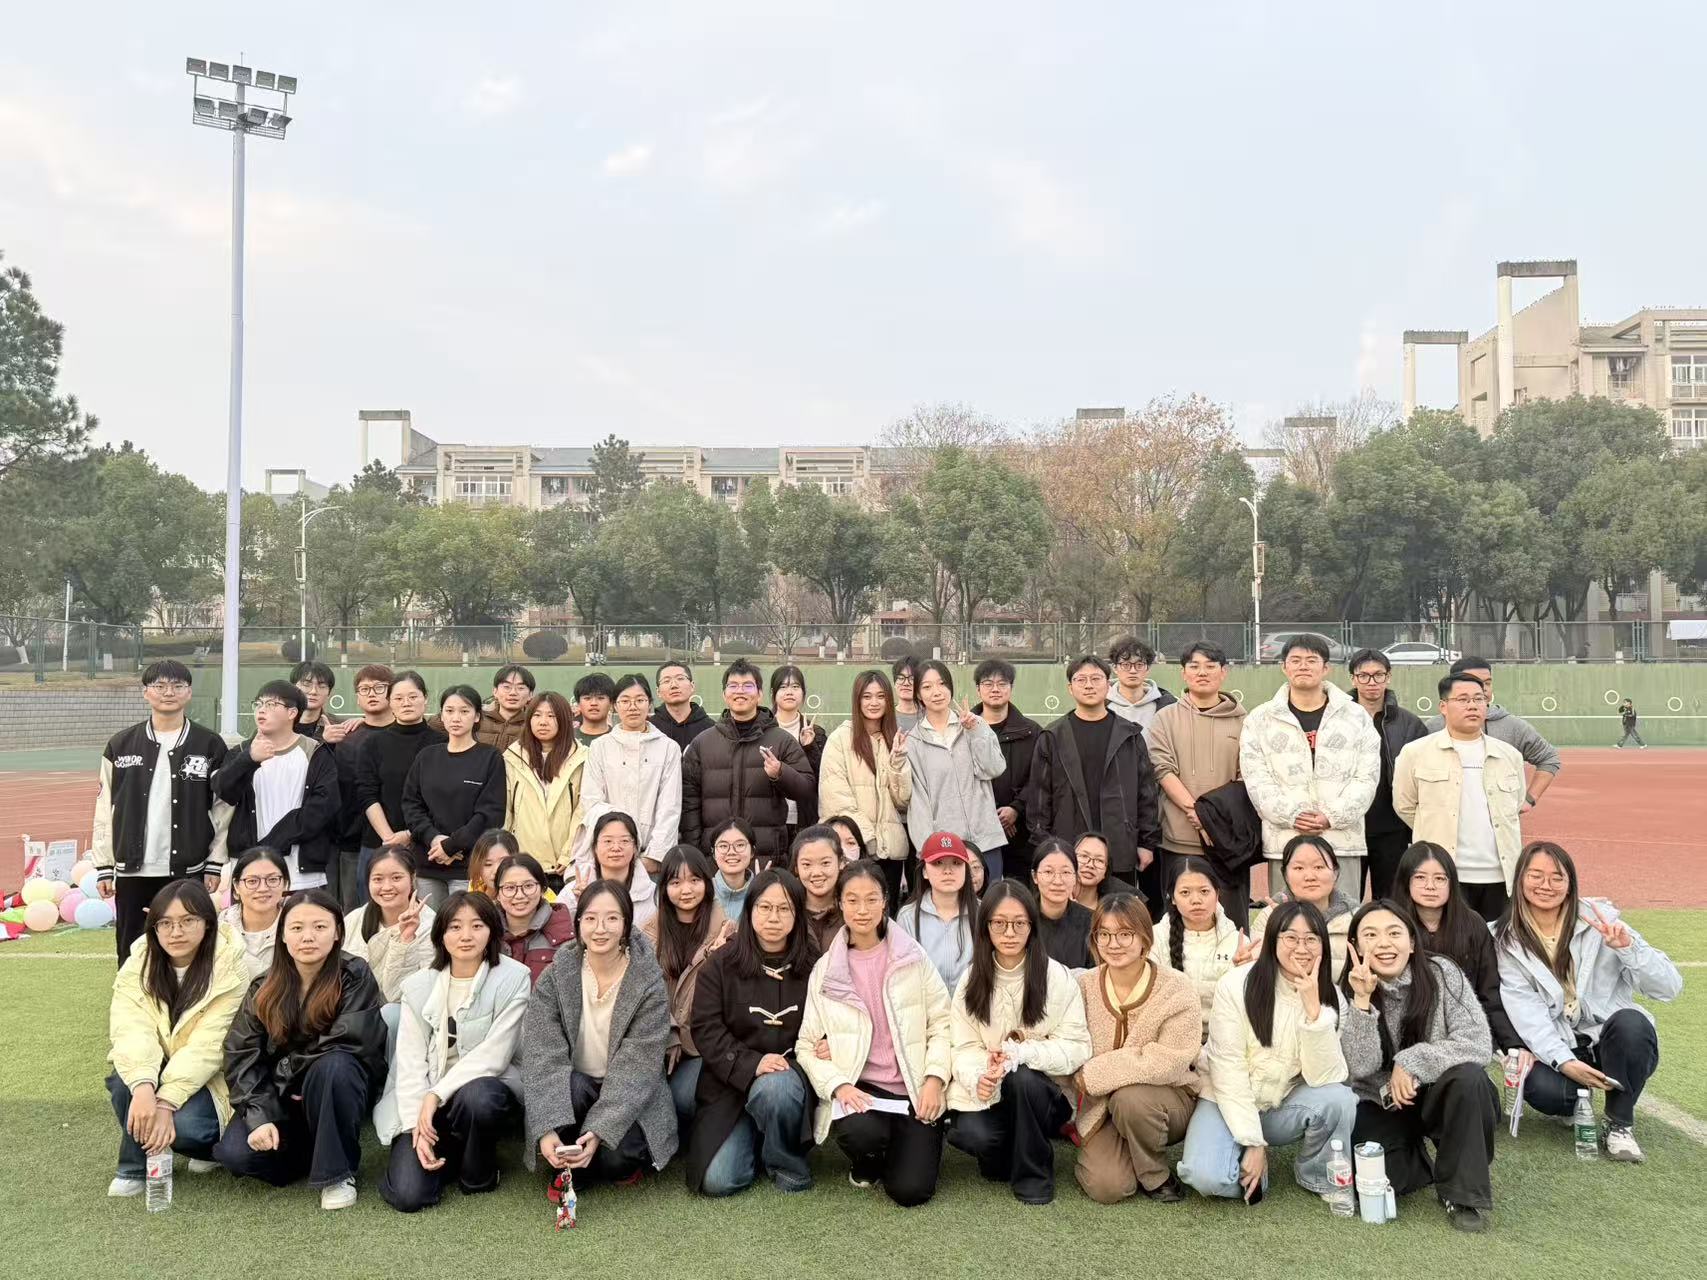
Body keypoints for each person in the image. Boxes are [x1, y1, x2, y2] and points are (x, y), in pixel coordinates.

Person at [1495, 841, 1681, 1163]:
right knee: (1543, 1090)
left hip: (1610, 1039)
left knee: (1632, 1024)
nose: (1545, 885)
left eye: (1557, 877)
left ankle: (1619, 1124)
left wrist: (1629, 949)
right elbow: (1526, 1012)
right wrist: (1564, 1061)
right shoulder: (1505, 939)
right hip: (1563, 1043)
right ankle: (1574, 1100)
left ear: (1570, 883)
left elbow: (1669, 987)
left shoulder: (1602, 921)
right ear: (1520, 880)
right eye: (1535, 875)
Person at [214, 890, 388, 1210]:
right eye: (296, 928)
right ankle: (313, 1152)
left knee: (334, 1065)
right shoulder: (264, 986)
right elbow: (241, 1053)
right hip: (281, 1099)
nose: (308, 936)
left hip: (334, 1087)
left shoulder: (354, 974)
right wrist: (260, 1116)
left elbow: (350, 1039)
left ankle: (337, 1174)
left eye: (320, 927)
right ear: (282, 935)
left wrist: (286, 1073)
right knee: (236, 1155)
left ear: (337, 932)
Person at [1176, 902, 1355, 1202]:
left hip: (1281, 1103)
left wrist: (1314, 1014)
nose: (1302, 948)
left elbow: (1325, 1077)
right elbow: (1227, 1068)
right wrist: (1253, 1142)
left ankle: (1319, 1175)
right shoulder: (1236, 984)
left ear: (1323, 945)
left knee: (1339, 1099)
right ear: (1273, 940)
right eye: (1291, 937)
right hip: (1225, 1098)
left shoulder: (1332, 998)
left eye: (1311, 939)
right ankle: (1250, 1158)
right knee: (1205, 1178)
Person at [797, 860, 952, 1207]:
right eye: (852, 900)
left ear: (885, 901)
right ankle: (867, 1160)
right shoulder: (826, 970)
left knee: (910, 1191)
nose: (862, 910)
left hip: (913, 1088)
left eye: (871, 899)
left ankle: (911, 1146)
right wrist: (839, 1085)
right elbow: (806, 1045)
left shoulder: (913, 957)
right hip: (863, 1090)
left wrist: (934, 1079)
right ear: (840, 903)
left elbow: (942, 1022)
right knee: (859, 1132)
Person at [1340, 900, 1499, 1232]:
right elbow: (1359, 1068)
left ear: (1412, 942)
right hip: (1381, 1100)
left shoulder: (1443, 972)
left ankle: (1462, 1195)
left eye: (1394, 933)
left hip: (1443, 1095)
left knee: (1470, 1078)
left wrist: (1411, 1061)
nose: (1384, 943)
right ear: (1355, 945)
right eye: (1370, 935)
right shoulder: (1346, 989)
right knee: (1384, 1181)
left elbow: (1478, 1043)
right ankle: (1420, 1155)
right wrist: (1362, 1001)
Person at [375, 890, 531, 1212]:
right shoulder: (418, 985)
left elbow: (495, 1055)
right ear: (441, 934)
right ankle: (448, 1152)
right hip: (426, 1103)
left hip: (481, 1092)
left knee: (479, 1096)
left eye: (477, 926)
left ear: (491, 931)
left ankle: (479, 1173)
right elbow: (410, 1062)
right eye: (455, 927)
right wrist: (417, 1124)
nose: (466, 936)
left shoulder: (514, 978)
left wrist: (435, 1095)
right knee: (408, 1195)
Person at [522, 881, 678, 1187]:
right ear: (578, 923)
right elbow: (542, 1054)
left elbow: (638, 1067)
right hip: (574, 1087)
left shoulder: (648, 981)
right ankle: (570, 1155)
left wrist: (599, 1130)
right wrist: (546, 1127)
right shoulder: (557, 974)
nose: (600, 929)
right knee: (573, 1088)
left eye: (612, 918)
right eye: (591, 918)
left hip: (628, 1091)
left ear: (626, 924)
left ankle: (588, 1156)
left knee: (615, 1159)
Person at [946, 880, 1091, 1204]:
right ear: (985, 927)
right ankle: (1007, 1156)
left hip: (1045, 1095)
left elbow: (1077, 1047)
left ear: (1032, 926)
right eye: (999, 923)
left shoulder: (1056, 977)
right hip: (991, 1094)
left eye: (1019, 923)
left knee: (1022, 1077)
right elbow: (963, 1047)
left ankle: (1034, 1175)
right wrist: (979, 1076)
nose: (1009, 933)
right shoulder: (971, 980)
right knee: (972, 1136)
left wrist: (1019, 1054)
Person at [105, 880, 248, 1197]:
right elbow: (131, 1028)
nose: (176, 932)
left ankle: (202, 1150)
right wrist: (144, 1086)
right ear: (153, 926)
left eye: (187, 921)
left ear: (207, 923)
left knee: (188, 1127)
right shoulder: (138, 962)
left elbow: (209, 1046)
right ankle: (134, 1166)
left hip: (211, 1077)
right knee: (123, 1080)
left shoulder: (231, 966)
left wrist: (166, 1102)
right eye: (165, 923)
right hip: (157, 1065)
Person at [686, 867, 820, 1195]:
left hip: (789, 1077)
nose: (773, 917)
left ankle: (784, 1159)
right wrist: (752, 1064)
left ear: (797, 915)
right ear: (750, 910)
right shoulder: (721, 963)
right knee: (719, 1181)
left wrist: (828, 1042)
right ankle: (755, 1132)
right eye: (765, 907)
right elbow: (705, 1028)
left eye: (784, 908)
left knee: (775, 1089)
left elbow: (834, 1018)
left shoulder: (815, 964)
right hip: (729, 1082)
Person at [92, 659, 231, 960]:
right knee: (133, 952)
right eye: (160, 686)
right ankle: (134, 993)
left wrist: (215, 862)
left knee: (187, 950)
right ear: (146, 692)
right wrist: (104, 866)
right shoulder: (120, 745)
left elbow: (222, 809)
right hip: (132, 870)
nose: (169, 692)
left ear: (189, 692)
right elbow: (104, 809)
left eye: (177, 686)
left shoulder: (209, 744)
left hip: (188, 869)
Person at [1072, 893, 1202, 1205]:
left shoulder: (1176, 987)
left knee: (1130, 1098)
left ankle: (1155, 1174)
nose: (1113, 944)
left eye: (1125, 934)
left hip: (1167, 1100)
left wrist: (1094, 1074)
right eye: (1104, 934)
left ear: (1144, 937)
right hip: (1103, 1108)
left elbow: (1169, 1061)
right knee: (1108, 1188)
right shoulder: (1083, 985)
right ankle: (1127, 1152)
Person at [1239, 634, 1380, 902]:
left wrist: (1331, 816)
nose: (1303, 666)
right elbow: (1256, 780)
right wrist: (1293, 816)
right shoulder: (1260, 719)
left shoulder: (1356, 716)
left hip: (1341, 841)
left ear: (1326, 668)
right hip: (1286, 843)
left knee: (1343, 918)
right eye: (1295, 660)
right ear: (1284, 667)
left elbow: (1367, 778)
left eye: (1311, 660)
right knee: (1288, 921)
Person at [1029, 655, 1165, 915]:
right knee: (1068, 918)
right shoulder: (1053, 736)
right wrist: (1046, 846)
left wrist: (1146, 842)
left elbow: (1146, 793)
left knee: (1118, 919)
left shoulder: (1129, 735)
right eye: (1081, 680)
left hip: (1119, 845)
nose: (1089, 685)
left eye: (1096, 679)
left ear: (1108, 684)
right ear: (1070, 688)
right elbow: (1039, 797)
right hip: (1067, 847)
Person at [1394, 672, 1527, 922]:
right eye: (1463, 699)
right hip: (1444, 873)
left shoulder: (1509, 755)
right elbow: (1405, 806)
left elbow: (1515, 804)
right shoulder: (1416, 753)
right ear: (1443, 707)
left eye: (1479, 699)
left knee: (1497, 942)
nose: (1472, 705)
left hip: (1501, 876)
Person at [1146, 640, 1250, 925]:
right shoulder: (1165, 718)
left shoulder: (1245, 721)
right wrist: (1198, 814)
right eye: (1194, 666)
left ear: (1224, 672)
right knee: (1180, 924)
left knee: (1231, 925)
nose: (1202, 672)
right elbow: (1162, 769)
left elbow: (1246, 776)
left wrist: (1212, 820)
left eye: (1210, 666)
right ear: (1183, 673)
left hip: (1227, 842)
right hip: (1179, 840)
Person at [682, 659, 816, 868]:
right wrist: (698, 853)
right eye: (733, 686)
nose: (740, 691)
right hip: (716, 860)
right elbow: (689, 803)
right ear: (724, 694)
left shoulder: (781, 740)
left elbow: (807, 789)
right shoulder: (702, 743)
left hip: (767, 858)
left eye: (748, 686)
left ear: (760, 694)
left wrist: (780, 773)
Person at [212, 680, 340, 897]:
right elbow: (224, 791)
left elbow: (323, 807)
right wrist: (249, 759)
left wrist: (273, 843)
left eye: (271, 704)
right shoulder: (241, 752)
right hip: (250, 871)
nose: (262, 710)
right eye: (258, 704)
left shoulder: (315, 752)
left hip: (300, 871)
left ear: (292, 713)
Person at [1392, 842, 1521, 1054]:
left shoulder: (1472, 924)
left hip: (1463, 1031)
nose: (1430, 886)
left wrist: (1512, 1045)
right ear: (1406, 881)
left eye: (1440, 878)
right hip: (1406, 1033)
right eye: (1420, 877)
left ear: (1452, 883)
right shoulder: (1390, 925)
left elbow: (1489, 992)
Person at [642, 845, 736, 1130]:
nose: (686, 890)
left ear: (707, 883)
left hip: (701, 1045)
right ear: (664, 888)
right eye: (675, 882)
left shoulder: (726, 931)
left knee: (682, 1099)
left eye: (694, 880)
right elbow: (645, 993)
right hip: (658, 1039)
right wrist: (670, 1032)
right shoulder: (649, 933)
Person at [401, 685, 506, 908]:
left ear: (477, 716)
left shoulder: (490, 757)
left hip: (469, 866)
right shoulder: (427, 756)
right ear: (441, 715)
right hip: (428, 862)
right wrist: (434, 839)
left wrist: (452, 845)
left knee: (465, 922)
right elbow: (412, 805)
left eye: (464, 711)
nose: (456, 718)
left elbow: (490, 814)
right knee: (429, 926)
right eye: (449, 711)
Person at [902, 660, 1006, 878]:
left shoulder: (975, 724)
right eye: (927, 687)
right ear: (918, 694)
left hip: (986, 841)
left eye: (942, 684)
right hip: (945, 847)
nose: (936, 692)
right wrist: (928, 848)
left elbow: (994, 768)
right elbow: (919, 803)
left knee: (991, 898)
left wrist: (974, 731)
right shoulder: (913, 741)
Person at [817, 670, 912, 902]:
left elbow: (903, 801)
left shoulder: (894, 739)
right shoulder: (840, 739)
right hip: (854, 852)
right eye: (867, 696)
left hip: (891, 855)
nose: (874, 702)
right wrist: (868, 840)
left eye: (880, 696)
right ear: (857, 700)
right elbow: (836, 800)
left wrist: (898, 763)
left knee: (885, 915)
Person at [353, 671, 444, 904]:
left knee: (425, 915)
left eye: (413, 697)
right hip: (379, 843)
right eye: (399, 698)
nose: (406, 703)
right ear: (390, 702)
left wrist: (411, 834)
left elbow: (443, 799)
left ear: (425, 699)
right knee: (376, 914)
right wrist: (390, 838)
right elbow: (366, 794)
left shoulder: (441, 743)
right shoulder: (373, 743)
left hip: (427, 844)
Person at [577, 674, 681, 875]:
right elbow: (592, 801)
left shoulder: (668, 748)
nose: (632, 707)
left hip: (651, 860)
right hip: (610, 857)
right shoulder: (600, 747)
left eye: (640, 700)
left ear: (650, 704)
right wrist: (615, 849)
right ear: (615, 706)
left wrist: (654, 857)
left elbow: (670, 806)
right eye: (625, 701)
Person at [1347, 648, 1428, 902]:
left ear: (1388, 677)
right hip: (1348, 826)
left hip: (1393, 829)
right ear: (1353, 679)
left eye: (1378, 675)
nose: (1372, 682)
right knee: (1345, 902)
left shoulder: (1410, 724)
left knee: (1392, 903)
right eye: (1364, 676)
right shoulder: (1336, 721)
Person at [1427, 657, 1561, 810]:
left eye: (1487, 682)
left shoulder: (1512, 726)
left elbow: (1549, 758)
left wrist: (1530, 799)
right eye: (1474, 681)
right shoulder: (1432, 728)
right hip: (1445, 819)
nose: (1483, 688)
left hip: (1499, 822)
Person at [1151, 856, 1250, 1040]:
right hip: (1169, 1039)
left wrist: (1244, 971)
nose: (1196, 900)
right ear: (1173, 898)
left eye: (1204, 891)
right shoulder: (1155, 938)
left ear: (1217, 894)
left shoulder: (1238, 941)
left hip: (1224, 1039)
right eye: (1185, 893)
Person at [328, 663, 396, 909]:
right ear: (357, 697)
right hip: (351, 842)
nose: (372, 694)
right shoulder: (344, 737)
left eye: (379, 687)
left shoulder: (406, 734)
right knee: (353, 912)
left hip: (396, 839)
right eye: (364, 689)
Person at [501, 690, 585, 887]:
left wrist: (568, 854)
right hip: (523, 864)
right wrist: (509, 856)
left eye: (551, 716)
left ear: (564, 720)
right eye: (537, 715)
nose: (543, 722)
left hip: (565, 866)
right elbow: (506, 812)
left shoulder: (582, 758)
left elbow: (582, 811)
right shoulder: (512, 757)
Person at [974, 658, 1042, 880]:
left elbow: (1039, 777)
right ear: (978, 689)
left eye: (1002, 683)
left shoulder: (1032, 732)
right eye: (988, 683)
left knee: (1019, 891)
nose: (995, 689)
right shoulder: (965, 730)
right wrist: (992, 816)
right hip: (977, 832)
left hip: (1020, 833)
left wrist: (1016, 808)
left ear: (1011, 688)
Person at [1251, 835, 1356, 978]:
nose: (1310, 876)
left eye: (1319, 867)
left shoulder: (1356, 919)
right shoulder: (1270, 916)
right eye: (1299, 868)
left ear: (1336, 872)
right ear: (1285, 875)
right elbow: (1260, 971)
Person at [342, 848, 435, 1009]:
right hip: (355, 1008)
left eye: (396, 878)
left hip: (404, 1011)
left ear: (412, 878)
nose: (387, 887)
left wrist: (405, 941)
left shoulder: (431, 924)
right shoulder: (354, 919)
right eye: (378, 879)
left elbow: (399, 995)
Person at [895, 831, 980, 991]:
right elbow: (904, 977)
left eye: (956, 863)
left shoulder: (982, 912)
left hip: (972, 1003)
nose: (948, 870)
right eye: (938, 863)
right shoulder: (908, 917)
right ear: (924, 871)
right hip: (925, 1004)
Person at [494, 853, 576, 984]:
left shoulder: (564, 936)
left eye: (528, 886)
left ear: (543, 889)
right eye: (510, 888)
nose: (519, 895)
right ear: (498, 894)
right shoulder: (485, 933)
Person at [769, 664, 825, 836]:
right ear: (773, 693)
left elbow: (822, 778)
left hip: (805, 821)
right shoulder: (762, 731)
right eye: (783, 687)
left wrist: (809, 747)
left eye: (795, 686)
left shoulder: (816, 733)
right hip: (770, 820)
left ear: (803, 693)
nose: (789, 692)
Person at [220, 847, 291, 978]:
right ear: (236, 886)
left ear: (285, 883)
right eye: (252, 881)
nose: (263, 888)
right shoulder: (219, 929)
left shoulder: (296, 928)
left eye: (272, 879)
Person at [585, 810, 659, 927]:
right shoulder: (574, 892)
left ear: (635, 848)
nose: (616, 848)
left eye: (624, 841)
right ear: (595, 847)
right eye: (608, 841)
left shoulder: (656, 896)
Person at [1031, 837, 1094, 970]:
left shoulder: (1092, 921)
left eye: (1065, 872)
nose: (1058, 881)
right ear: (1035, 876)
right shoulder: (1022, 918)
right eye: (1048, 872)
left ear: (1075, 877)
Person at [1106, 636, 1177, 737]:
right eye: (1126, 665)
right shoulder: (1101, 705)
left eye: (1139, 665)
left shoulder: (1168, 705)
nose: (1133, 671)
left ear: (1147, 668)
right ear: (1115, 668)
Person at [792, 827, 844, 950]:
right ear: (796, 868)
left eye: (825, 863)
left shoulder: (853, 909)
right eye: (807, 864)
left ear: (840, 862)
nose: (816, 873)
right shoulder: (788, 910)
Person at [652, 661, 714, 752]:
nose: (674, 685)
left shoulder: (710, 728)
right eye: (666, 681)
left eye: (680, 678)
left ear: (692, 686)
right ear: (658, 692)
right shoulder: (650, 728)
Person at [478, 664, 536, 753]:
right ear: (495, 691)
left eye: (520, 688)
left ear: (530, 695)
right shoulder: (477, 718)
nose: (513, 693)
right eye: (506, 687)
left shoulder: (534, 724)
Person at [709, 816, 757, 922]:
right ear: (713, 853)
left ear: (752, 851)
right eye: (723, 846)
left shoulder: (761, 892)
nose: (731, 852)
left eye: (740, 845)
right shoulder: (704, 891)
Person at [1070, 831, 1133, 909]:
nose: (1090, 865)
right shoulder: (1057, 902)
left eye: (1099, 860)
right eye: (1084, 856)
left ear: (1106, 871)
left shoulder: (1112, 910)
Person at [290, 661, 344, 742]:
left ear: (329, 693)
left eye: (322, 686)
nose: (313, 691)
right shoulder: (277, 725)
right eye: (306, 684)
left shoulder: (340, 727)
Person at [466, 828, 520, 899]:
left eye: (503, 862)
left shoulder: (527, 897)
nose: (496, 871)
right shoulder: (475, 890)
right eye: (488, 864)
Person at [573, 672, 617, 747]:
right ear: (578, 704)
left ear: (611, 703)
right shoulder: (567, 739)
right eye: (587, 698)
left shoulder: (619, 738)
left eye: (600, 698)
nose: (593, 703)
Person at [891, 653, 922, 733]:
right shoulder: (886, 716)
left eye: (912, 678)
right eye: (901, 678)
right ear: (894, 683)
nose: (906, 683)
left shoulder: (930, 716)